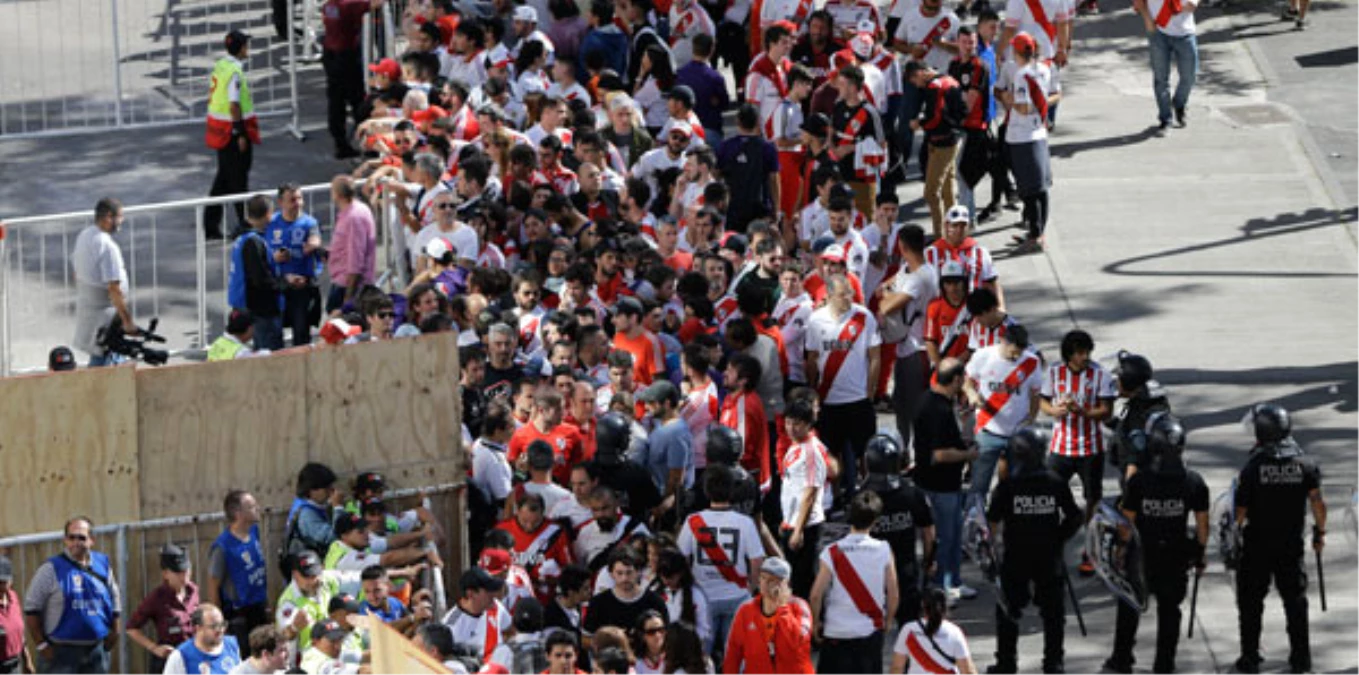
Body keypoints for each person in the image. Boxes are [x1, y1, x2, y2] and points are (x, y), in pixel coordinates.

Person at [1104, 414, 1209, 675]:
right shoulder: (1194, 482)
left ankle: (1122, 659)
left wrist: (1119, 551)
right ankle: (1164, 665)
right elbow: (1203, 525)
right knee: (1170, 612)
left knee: (1129, 605)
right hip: (1176, 555)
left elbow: (1126, 523)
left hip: (1141, 554)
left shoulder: (1139, 482)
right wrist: (1200, 553)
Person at [1233, 404, 1324, 674]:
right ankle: (1301, 660)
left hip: (1257, 547)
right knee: (1295, 604)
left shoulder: (1253, 467)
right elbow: (1318, 504)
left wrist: (1232, 535)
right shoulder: (1305, 464)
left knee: (1250, 603)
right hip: (1291, 545)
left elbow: (1239, 512)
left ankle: (1250, 658)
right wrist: (1320, 533)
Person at [985, 427, 1082, 675]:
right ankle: (1054, 663)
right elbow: (1074, 516)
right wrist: (1059, 537)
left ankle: (1006, 664)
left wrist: (991, 553)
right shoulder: (1055, 482)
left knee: (1008, 611)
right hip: (1048, 556)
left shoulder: (1007, 487)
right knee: (1053, 614)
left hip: (1016, 556)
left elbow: (990, 525)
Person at [1039, 329, 1116, 575]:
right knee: (1049, 496)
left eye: (1087, 352)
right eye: (1080, 353)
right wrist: (1053, 411)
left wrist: (1082, 411)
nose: (1085, 357)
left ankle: (1089, 550)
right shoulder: (1053, 373)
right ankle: (1053, 546)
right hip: (1060, 447)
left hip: (1090, 448)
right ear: (1069, 355)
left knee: (1093, 499)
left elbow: (1107, 411)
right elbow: (1042, 401)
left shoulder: (1100, 374)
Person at [677, 465, 764, 656]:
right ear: (732, 491)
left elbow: (681, 558)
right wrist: (752, 586)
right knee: (734, 656)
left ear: (706, 492)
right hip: (738, 596)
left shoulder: (692, 521)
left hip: (703, 597)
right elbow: (757, 560)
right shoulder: (745, 522)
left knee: (701, 658)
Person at [805, 273, 880, 497]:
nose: (848, 297)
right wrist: (813, 392)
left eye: (850, 292)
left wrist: (870, 392)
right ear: (828, 296)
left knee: (865, 453)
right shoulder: (815, 320)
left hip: (858, 399)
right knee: (832, 454)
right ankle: (836, 499)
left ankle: (870, 496)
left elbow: (875, 356)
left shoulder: (864, 317)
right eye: (842, 294)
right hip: (829, 399)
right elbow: (811, 359)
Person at [809, 491, 897, 674]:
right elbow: (893, 592)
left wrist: (815, 622)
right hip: (869, 632)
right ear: (875, 520)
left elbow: (816, 594)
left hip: (836, 632)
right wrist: (888, 621)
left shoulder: (832, 552)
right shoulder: (884, 549)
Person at [22, 517, 122, 675]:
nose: (76, 542)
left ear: (91, 540)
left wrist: (115, 631)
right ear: (65, 540)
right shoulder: (50, 569)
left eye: (81, 537)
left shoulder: (102, 566)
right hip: (60, 655)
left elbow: (114, 599)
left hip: (96, 652)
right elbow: (31, 608)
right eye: (71, 537)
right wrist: (41, 645)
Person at [912, 358, 976, 603]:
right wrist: (968, 454)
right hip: (941, 486)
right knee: (945, 538)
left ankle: (954, 581)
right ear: (957, 380)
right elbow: (939, 454)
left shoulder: (928, 400)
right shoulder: (938, 409)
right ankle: (942, 585)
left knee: (952, 536)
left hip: (937, 483)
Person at [963, 325, 1042, 511]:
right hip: (988, 430)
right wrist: (972, 395)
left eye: (1020, 352)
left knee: (1018, 484)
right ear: (1004, 341)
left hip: (1017, 434)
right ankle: (974, 524)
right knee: (979, 485)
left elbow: (1035, 394)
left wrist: (1031, 417)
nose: (1017, 356)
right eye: (1014, 351)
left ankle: (1008, 521)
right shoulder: (983, 356)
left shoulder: (1031, 362)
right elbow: (967, 382)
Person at [862, 434, 936, 624]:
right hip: (906, 572)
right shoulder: (912, 492)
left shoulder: (862, 496)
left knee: (871, 630)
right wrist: (929, 561)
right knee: (909, 627)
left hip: (871, 573)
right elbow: (929, 532)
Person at [877, 225, 938, 450]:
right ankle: (904, 453)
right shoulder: (908, 269)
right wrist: (887, 288)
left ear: (902, 246)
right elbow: (890, 283)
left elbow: (885, 306)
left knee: (914, 409)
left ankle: (919, 455)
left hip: (917, 351)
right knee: (901, 406)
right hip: (905, 349)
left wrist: (884, 294)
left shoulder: (919, 278)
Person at [999, 32, 1059, 253]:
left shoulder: (1022, 75)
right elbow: (1051, 96)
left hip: (1022, 136)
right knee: (1040, 187)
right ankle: (1038, 231)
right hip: (1038, 134)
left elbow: (1023, 107)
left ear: (1017, 52)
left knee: (1030, 190)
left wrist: (1008, 99)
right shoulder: (1044, 69)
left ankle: (1035, 236)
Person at [204, 30, 260, 239]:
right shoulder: (235, 71)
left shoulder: (221, 65)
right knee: (238, 180)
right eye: (246, 45)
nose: (248, 49)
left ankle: (211, 224)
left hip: (219, 130)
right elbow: (234, 104)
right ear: (241, 48)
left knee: (224, 179)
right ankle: (244, 225)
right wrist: (240, 133)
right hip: (231, 132)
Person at [721, 558, 814, 675]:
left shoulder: (799, 607)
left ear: (786, 583)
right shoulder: (746, 610)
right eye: (763, 577)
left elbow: (796, 643)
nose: (766, 584)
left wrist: (781, 607)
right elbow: (733, 653)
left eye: (773, 580)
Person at [777, 399, 830, 600]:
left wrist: (798, 530)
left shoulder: (811, 451)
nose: (791, 428)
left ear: (809, 424)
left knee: (803, 581)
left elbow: (810, 493)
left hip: (806, 525)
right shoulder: (796, 446)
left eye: (797, 423)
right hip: (792, 521)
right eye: (788, 422)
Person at [905, 60, 965, 238]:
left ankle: (940, 234)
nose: (917, 85)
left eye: (915, 81)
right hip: (952, 139)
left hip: (942, 142)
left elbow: (935, 117)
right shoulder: (949, 79)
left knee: (931, 193)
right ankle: (955, 232)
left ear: (920, 73)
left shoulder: (935, 86)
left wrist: (919, 123)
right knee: (948, 191)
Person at [71, 198, 134, 366]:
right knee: (107, 363)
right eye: (120, 216)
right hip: (106, 319)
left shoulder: (85, 236)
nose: (122, 221)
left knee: (100, 359)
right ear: (108, 217)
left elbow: (76, 273)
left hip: (91, 312)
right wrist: (127, 321)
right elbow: (114, 289)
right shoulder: (107, 247)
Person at [322, 0, 386, 158]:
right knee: (357, 100)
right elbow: (376, 3)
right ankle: (367, 143)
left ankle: (340, 143)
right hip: (346, 57)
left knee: (336, 102)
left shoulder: (329, 5)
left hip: (330, 54)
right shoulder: (349, 5)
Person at [207, 491, 269, 651]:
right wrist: (219, 622)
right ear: (238, 513)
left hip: (259, 608)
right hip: (239, 615)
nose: (257, 508)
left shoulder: (254, 532)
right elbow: (213, 584)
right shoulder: (223, 547)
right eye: (251, 506)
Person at [127, 544, 199, 675]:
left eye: (187, 571)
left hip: (192, 657)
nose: (184, 577)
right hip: (168, 660)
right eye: (178, 573)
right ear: (166, 574)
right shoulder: (157, 597)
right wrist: (154, 648)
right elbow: (132, 628)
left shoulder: (193, 591)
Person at [267, 183, 324, 347]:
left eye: (299, 198)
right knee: (274, 335)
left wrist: (313, 245)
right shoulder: (272, 222)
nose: (297, 203)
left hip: (302, 287)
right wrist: (274, 257)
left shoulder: (309, 223)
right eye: (292, 200)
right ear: (281, 202)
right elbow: (261, 249)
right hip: (278, 286)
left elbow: (315, 238)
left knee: (301, 334)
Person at [228, 195, 283, 350]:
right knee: (268, 352)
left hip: (244, 303)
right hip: (259, 307)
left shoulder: (242, 237)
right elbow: (260, 278)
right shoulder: (253, 241)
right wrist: (284, 283)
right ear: (268, 214)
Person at [1108, 350, 1170, 483]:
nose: (1115, 383)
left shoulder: (1141, 414)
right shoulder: (1148, 398)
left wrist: (1129, 494)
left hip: (1141, 484)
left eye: (1118, 379)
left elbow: (1135, 458)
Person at [583, 549, 667, 646]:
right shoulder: (598, 603)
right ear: (611, 574)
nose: (625, 578)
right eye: (619, 573)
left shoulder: (655, 601)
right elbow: (585, 639)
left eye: (629, 573)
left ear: (638, 572)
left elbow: (666, 636)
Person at [638, 381, 694, 525]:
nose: (647, 407)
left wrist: (662, 507)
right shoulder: (662, 424)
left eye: (652, 403)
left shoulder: (676, 434)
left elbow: (676, 478)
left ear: (667, 404)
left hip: (668, 506)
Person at [889, 587, 977, 675]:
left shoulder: (909, 630)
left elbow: (897, 667)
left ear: (922, 605)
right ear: (945, 606)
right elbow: (967, 670)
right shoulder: (955, 632)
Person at [326, 176, 377, 314]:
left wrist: (348, 301)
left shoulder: (354, 217)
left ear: (338, 195)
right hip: (344, 282)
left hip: (347, 286)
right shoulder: (352, 212)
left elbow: (356, 259)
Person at [442, 568, 511, 666]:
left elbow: (510, 631)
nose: (493, 594)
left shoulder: (496, 607)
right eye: (488, 590)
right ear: (470, 594)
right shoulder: (450, 626)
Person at [161, 604, 242, 675]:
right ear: (198, 628)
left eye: (222, 625)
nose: (220, 630)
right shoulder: (180, 656)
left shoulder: (232, 644)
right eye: (214, 626)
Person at [0, 556, 31, 675]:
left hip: (14, 665)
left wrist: (27, 660)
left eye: (4, 582)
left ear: (11, 581)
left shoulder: (13, 597)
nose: (1, 586)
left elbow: (19, 633)